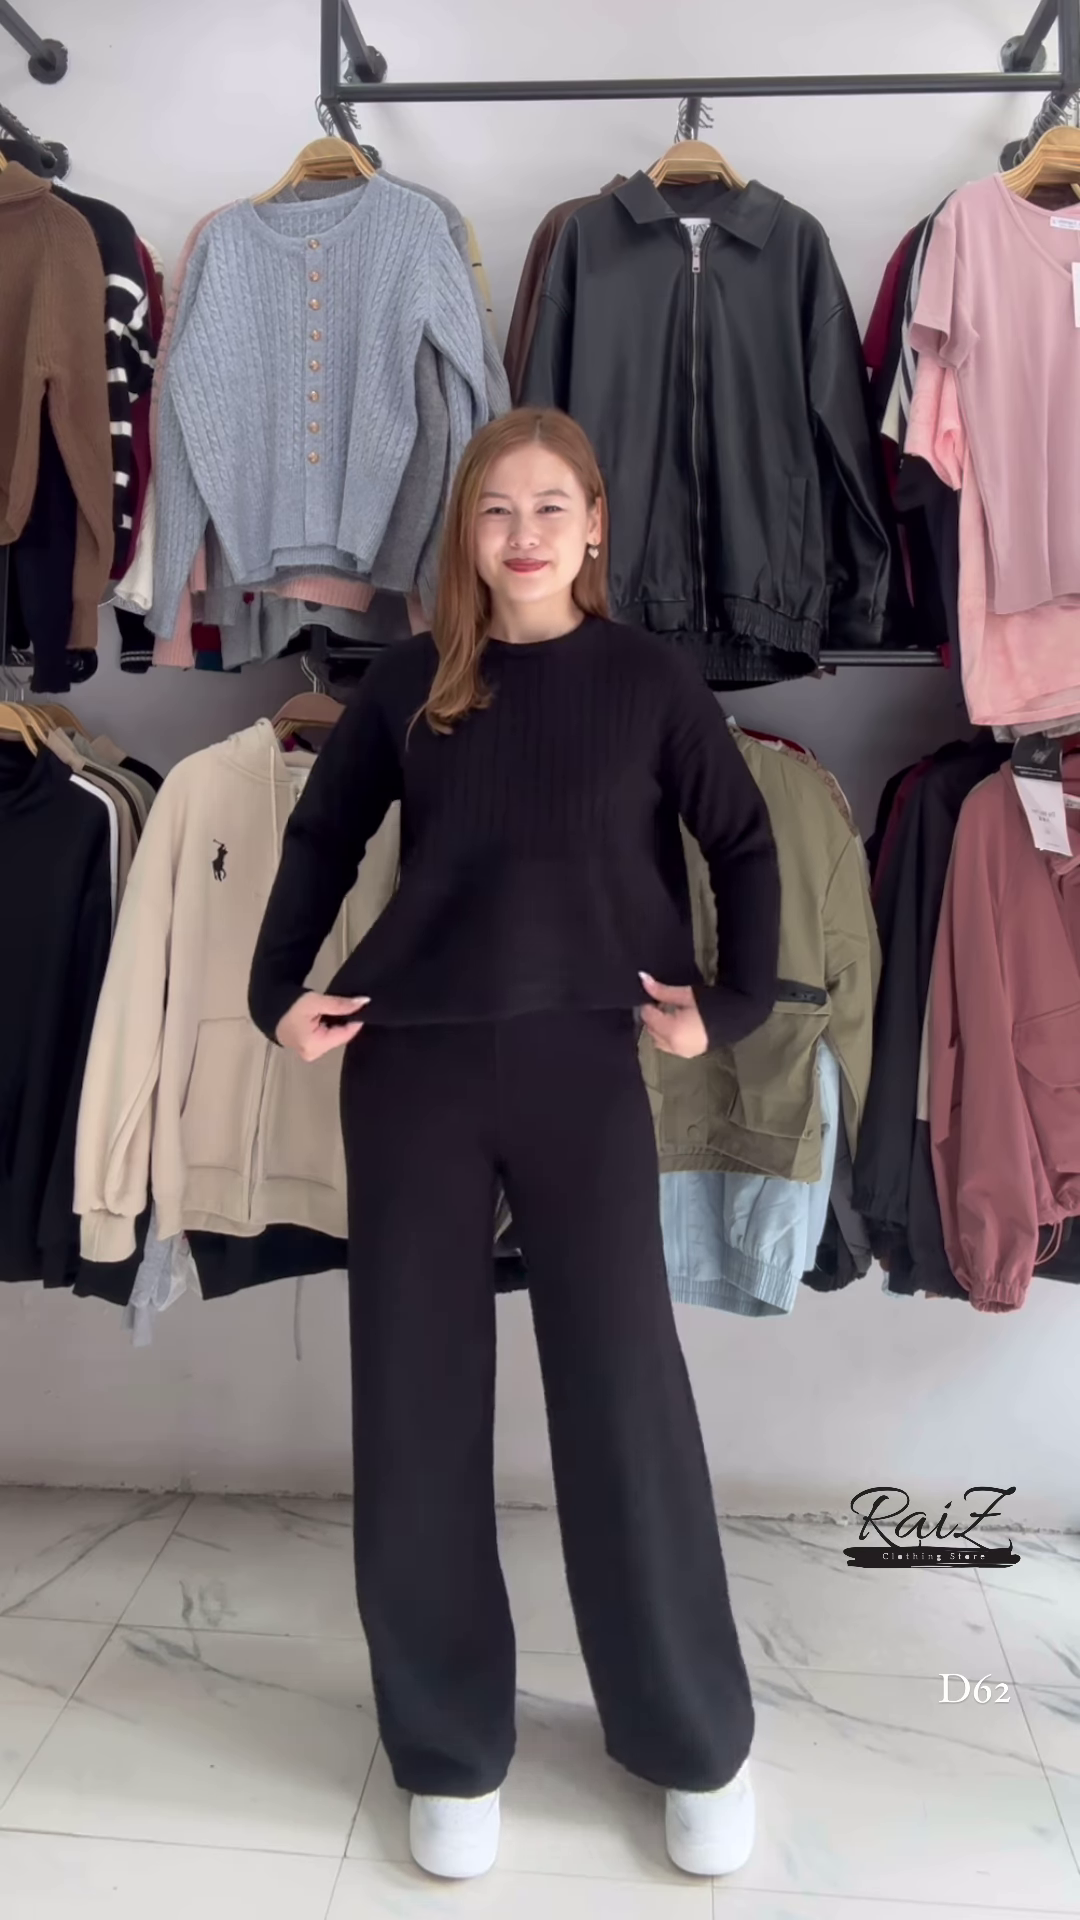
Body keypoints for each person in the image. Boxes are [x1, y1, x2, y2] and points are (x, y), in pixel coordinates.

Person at [248, 407, 780, 1882]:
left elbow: (745, 842)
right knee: (416, 1405)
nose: (525, 533)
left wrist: (729, 1005)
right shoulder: (412, 683)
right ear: (468, 534)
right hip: (411, 1068)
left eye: (552, 506)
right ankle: (447, 1748)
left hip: (579, 1067)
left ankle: (692, 1737)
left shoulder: (648, 680)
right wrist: (277, 993)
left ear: (595, 524)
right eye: (497, 509)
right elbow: (322, 838)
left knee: (623, 1396)